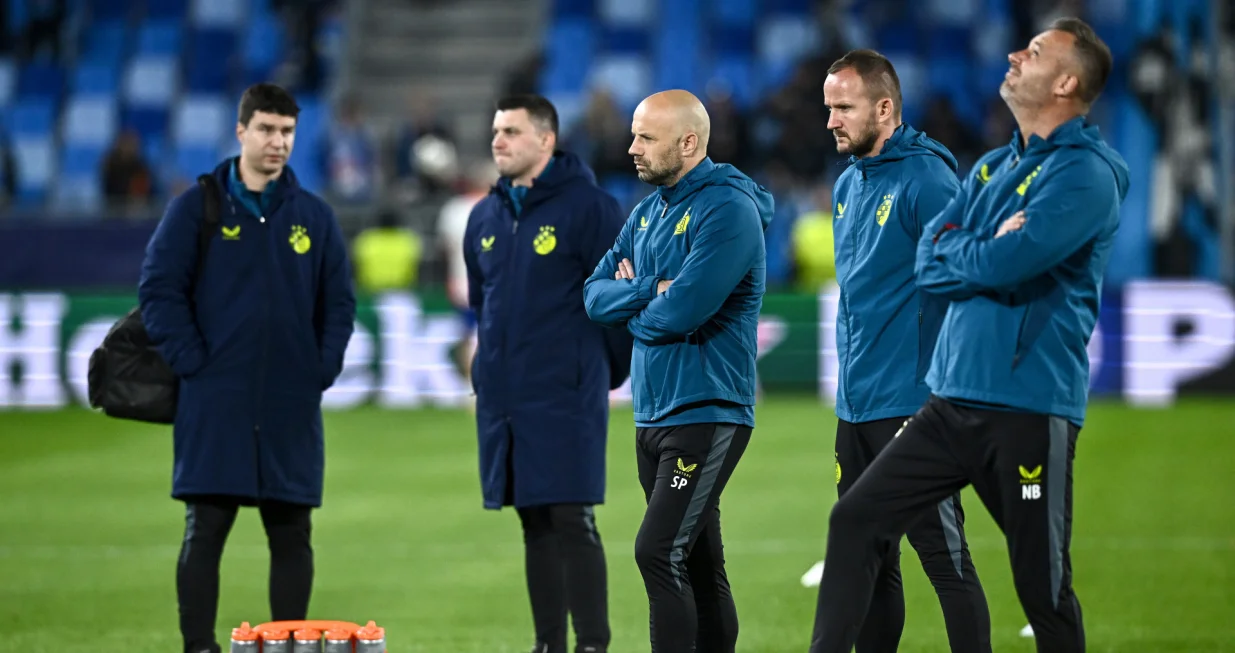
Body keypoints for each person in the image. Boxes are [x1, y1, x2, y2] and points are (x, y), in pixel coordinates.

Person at [809, 18, 1129, 653]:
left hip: (1027, 404)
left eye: (1034, 51)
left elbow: (1006, 262)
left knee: (1042, 588)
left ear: (1065, 81)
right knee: (855, 523)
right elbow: (933, 259)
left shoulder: (1086, 175)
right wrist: (980, 245)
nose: (1014, 53)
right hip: (952, 403)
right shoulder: (990, 170)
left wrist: (971, 249)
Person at [137, 83, 356, 653]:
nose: (277, 142)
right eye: (266, 129)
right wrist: (193, 363)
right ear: (240, 132)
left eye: (286, 131)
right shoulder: (197, 207)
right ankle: (198, 647)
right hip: (217, 399)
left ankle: (286, 646)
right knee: (206, 529)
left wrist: (320, 369)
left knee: (291, 534)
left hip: (290, 401)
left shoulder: (314, 215)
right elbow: (159, 291)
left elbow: (339, 303)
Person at [809, 49, 992, 653]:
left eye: (844, 107)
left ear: (884, 108)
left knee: (945, 561)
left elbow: (965, 282)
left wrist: (946, 394)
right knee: (871, 559)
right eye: (828, 106)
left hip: (913, 404)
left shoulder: (927, 179)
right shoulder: (847, 184)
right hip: (856, 404)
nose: (831, 119)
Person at [583, 89, 774, 653]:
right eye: (635, 134)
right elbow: (594, 297)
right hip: (653, 411)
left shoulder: (728, 209)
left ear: (688, 143)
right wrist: (649, 290)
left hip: (707, 407)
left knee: (657, 551)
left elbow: (684, 310)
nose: (631, 147)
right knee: (695, 561)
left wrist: (634, 299)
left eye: (646, 137)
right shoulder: (647, 212)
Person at [462, 94, 631, 653]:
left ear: (545, 140)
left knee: (570, 516)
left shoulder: (591, 208)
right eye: (496, 130)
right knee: (532, 519)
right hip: (506, 396)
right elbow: (482, 303)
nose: (498, 141)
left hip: (565, 392)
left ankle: (592, 644)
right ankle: (548, 644)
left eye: (511, 131)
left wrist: (598, 372)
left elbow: (618, 300)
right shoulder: (483, 216)